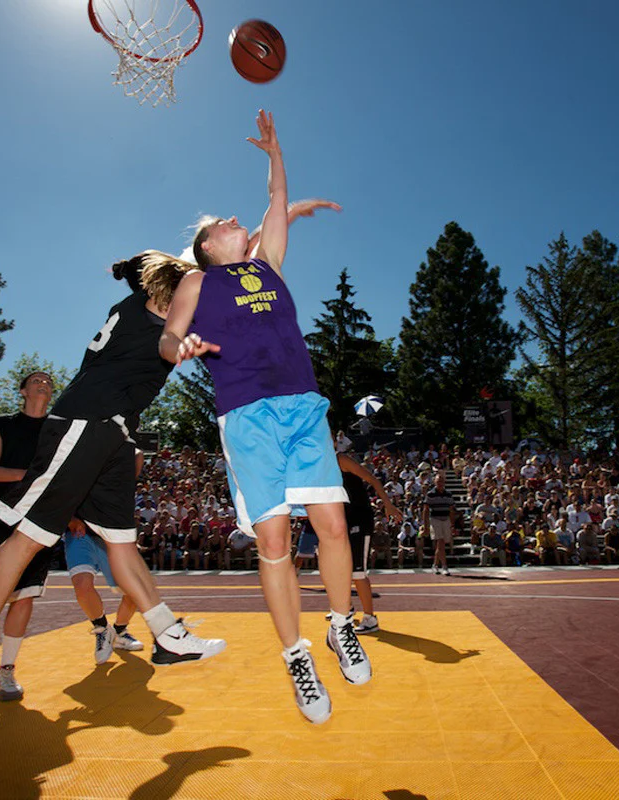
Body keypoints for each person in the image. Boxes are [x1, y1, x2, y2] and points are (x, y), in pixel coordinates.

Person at [0, 251, 225, 728]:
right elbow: (171, 334)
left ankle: (166, 633)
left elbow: (222, 263)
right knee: (29, 538)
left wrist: (278, 218)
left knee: (122, 543)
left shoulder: (153, 304)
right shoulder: (155, 308)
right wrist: (181, 344)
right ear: (173, 288)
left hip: (116, 432)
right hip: (85, 421)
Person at [160, 109, 368, 724]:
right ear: (207, 247)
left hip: (301, 405)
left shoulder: (267, 264)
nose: (234, 220)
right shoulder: (197, 284)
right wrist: (180, 347)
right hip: (247, 415)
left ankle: (339, 625)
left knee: (332, 525)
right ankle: (296, 656)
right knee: (274, 541)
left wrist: (275, 153)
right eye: (222, 223)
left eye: (236, 220)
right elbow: (167, 339)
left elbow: (277, 200)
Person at [0, 371, 60, 702]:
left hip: (34, 517)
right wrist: (28, 476)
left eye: (48, 382)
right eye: (36, 380)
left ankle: (7, 670)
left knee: (25, 595)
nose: (43, 384)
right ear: (22, 390)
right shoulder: (2, 424)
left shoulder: (57, 430)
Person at [63, 518, 145, 664]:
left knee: (132, 591)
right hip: (79, 534)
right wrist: (70, 519)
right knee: (82, 586)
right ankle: (102, 629)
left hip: (113, 535)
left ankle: (119, 633)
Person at [338, 452, 403, 635]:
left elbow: (372, 479)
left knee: (357, 572)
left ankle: (370, 618)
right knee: (340, 569)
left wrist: (387, 504)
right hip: (343, 520)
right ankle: (347, 609)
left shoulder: (341, 459)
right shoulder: (321, 464)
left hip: (359, 518)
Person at [422, 473, 458, 576]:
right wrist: (426, 525)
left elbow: (451, 510)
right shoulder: (430, 494)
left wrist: (452, 525)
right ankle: (444, 566)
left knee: (441, 544)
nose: (440, 483)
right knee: (440, 542)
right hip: (435, 519)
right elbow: (426, 510)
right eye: (438, 482)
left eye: (442, 481)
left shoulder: (448, 494)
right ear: (435, 482)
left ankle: (435, 565)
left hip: (446, 519)